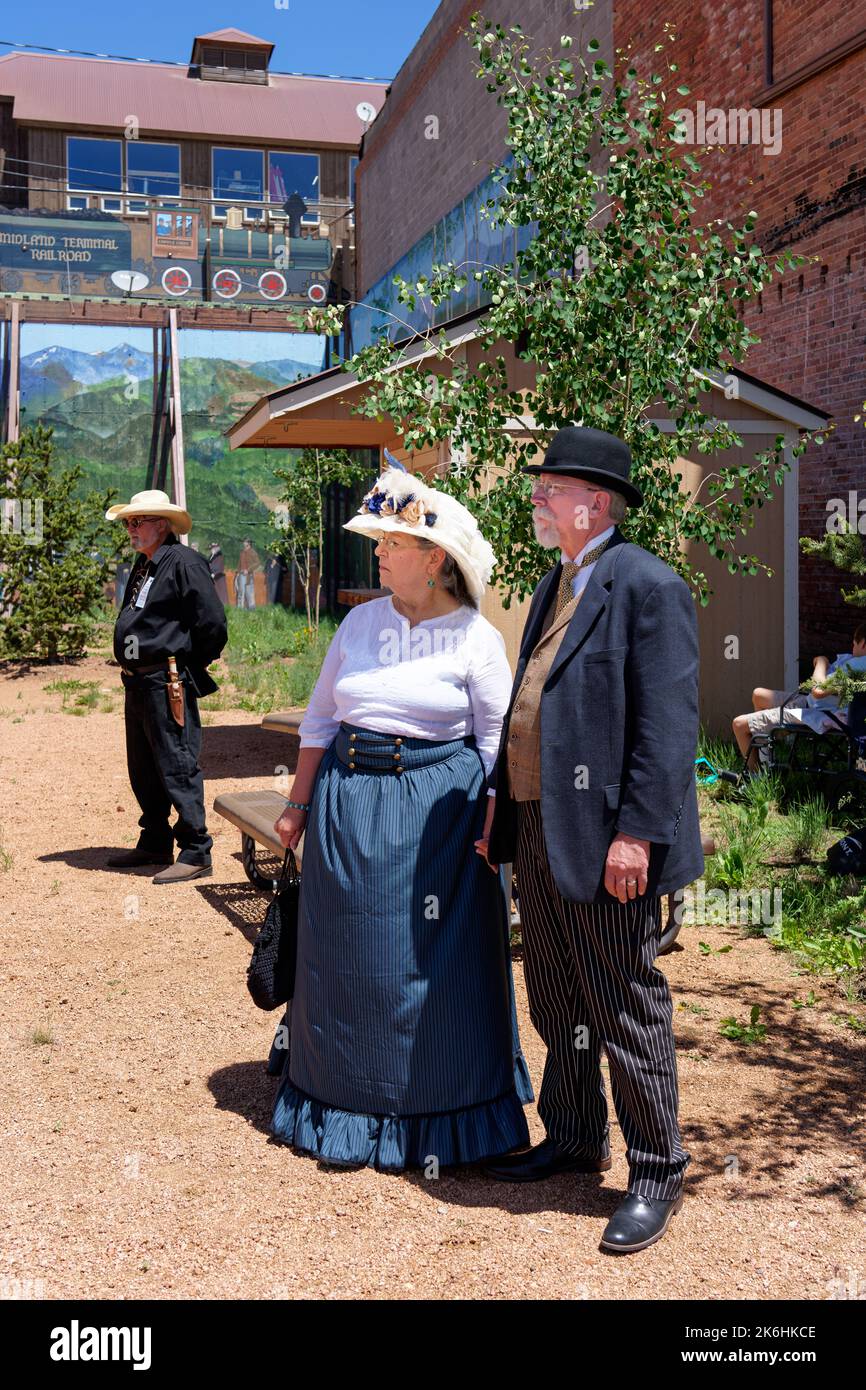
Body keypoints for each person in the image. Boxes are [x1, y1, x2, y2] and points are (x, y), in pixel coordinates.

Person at [476, 426, 704, 1255]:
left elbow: (668, 730)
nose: (537, 500)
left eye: (549, 490)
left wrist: (639, 835)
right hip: (541, 823)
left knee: (623, 1001)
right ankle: (573, 1134)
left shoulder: (648, 585)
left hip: (607, 834)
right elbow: (527, 706)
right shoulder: (556, 581)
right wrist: (502, 806)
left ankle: (655, 1170)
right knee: (558, 993)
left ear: (593, 502)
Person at [269, 460, 533, 1171]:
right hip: (347, 808)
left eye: (392, 542)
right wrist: (296, 805)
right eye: (380, 540)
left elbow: (493, 739)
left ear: (434, 559)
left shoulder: (474, 637)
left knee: (422, 970)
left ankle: (438, 1116)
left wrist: (490, 821)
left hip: (438, 821)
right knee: (347, 961)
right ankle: (339, 1107)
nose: (379, 551)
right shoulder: (358, 623)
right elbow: (320, 722)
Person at [105, 489, 228, 884]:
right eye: (128, 522)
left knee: (176, 762)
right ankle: (154, 840)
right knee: (143, 765)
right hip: (139, 681)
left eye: (137, 521)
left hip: (166, 679)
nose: (131, 528)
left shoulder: (185, 563)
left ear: (162, 524)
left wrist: (186, 663)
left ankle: (195, 851)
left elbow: (212, 624)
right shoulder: (147, 564)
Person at [733, 625, 866, 767]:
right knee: (758, 695)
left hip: (820, 712)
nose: (852, 649)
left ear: (863, 644)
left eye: (854, 644)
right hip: (818, 703)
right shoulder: (855, 662)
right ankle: (765, 758)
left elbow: (819, 689)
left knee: (739, 724)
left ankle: (755, 778)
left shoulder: (858, 665)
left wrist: (822, 662)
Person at [235, 538, 261, 609]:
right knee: (240, 593)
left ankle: (252, 609)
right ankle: (240, 609)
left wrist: (248, 570)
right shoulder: (242, 552)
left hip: (249, 576)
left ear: (249, 543)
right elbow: (239, 563)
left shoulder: (253, 552)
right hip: (241, 575)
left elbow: (258, 563)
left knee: (249, 593)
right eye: (243, 542)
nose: (243, 543)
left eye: (245, 542)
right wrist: (238, 572)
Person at [208, 541, 229, 606]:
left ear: (217, 548)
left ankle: (223, 606)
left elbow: (219, 567)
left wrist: (213, 573)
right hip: (213, 577)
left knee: (221, 593)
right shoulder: (211, 556)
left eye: (213, 548)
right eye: (211, 548)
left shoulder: (219, 557)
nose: (212, 549)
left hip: (219, 577)